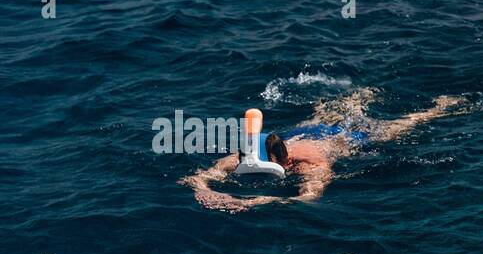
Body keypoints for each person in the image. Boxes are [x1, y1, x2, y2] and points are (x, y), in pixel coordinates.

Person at [182, 90, 468, 211]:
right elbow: (198, 176)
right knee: (320, 117)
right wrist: (204, 190)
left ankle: (438, 108)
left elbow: (309, 197)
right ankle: (332, 106)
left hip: (346, 138)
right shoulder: (245, 155)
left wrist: (253, 203)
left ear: (286, 161)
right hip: (302, 133)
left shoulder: (310, 163)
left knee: (397, 129)